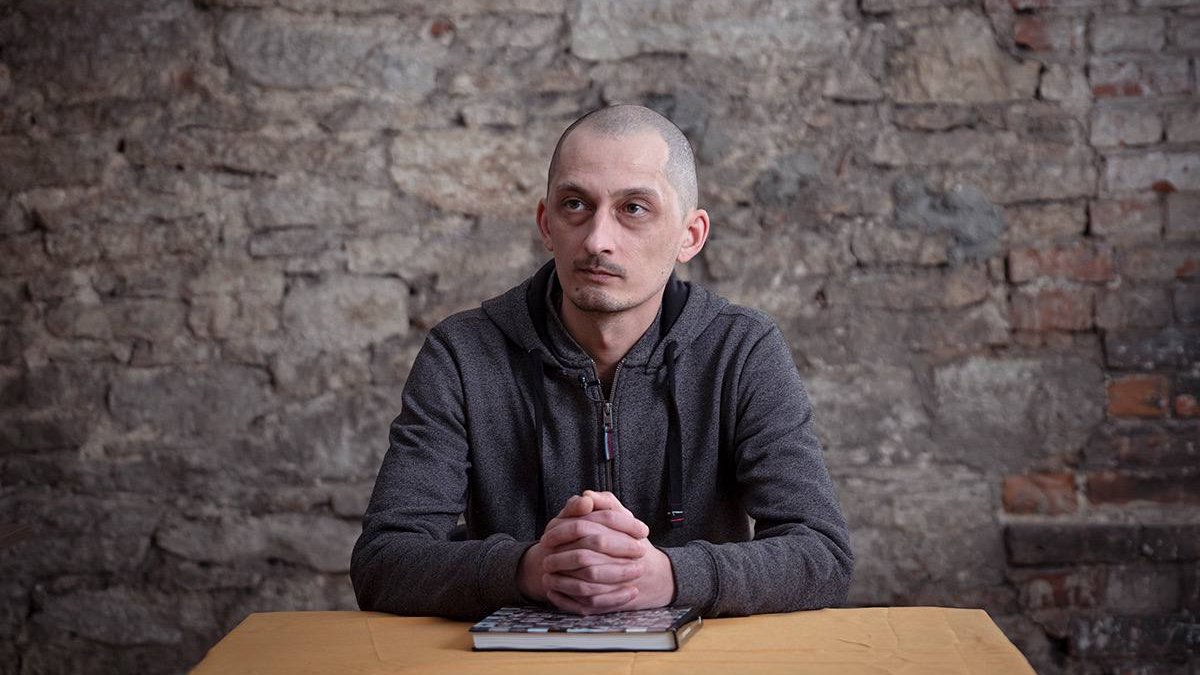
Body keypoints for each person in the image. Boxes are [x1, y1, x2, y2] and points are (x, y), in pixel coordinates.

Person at [351, 105, 853, 620]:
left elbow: (822, 555)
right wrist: (529, 570)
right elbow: (383, 561)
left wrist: (668, 576)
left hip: (698, 656)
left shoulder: (741, 349)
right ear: (546, 224)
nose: (596, 241)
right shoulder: (463, 353)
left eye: (634, 208)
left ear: (690, 235)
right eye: (575, 205)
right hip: (512, 659)